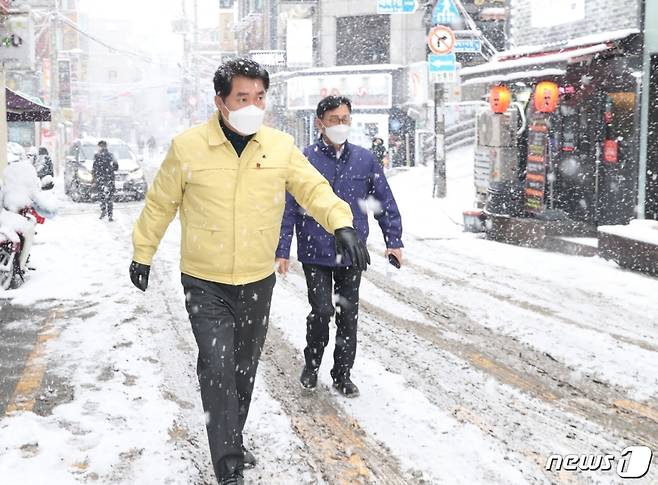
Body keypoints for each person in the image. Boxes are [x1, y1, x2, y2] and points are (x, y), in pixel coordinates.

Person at [129, 59, 370, 485]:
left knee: (243, 368)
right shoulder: (188, 147)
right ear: (220, 101)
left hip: (257, 278)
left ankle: (231, 438)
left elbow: (313, 188)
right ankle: (227, 466)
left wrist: (342, 223)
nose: (253, 105)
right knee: (217, 366)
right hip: (204, 279)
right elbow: (160, 204)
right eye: (243, 97)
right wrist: (142, 253)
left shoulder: (278, 146)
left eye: (259, 97)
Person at [275, 95, 403, 398]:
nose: (340, 125)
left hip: (352, 251)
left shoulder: (364, 159)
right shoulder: (304, 159)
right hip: (314, 249)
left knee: (348, 315)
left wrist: (393, 241)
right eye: (334, 119)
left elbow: (382, 201)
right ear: (320, 123)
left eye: (345, 119)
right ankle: (312, 364)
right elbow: (289, 207)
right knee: (320, 311)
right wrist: (283, 249)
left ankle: (342, 373)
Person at [93, 140, 118, 221]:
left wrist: (95, 178)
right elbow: (116, 167)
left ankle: (104, 211)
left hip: (101, 178)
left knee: (102, 196)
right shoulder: (111, 155)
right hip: (109, 178)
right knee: (109, 198)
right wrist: (110, 169)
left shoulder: (97, 156)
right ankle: (110, 215)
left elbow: (94, 168)